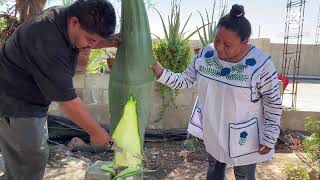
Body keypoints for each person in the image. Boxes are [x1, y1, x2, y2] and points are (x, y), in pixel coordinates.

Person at [150, 4, 282, 180]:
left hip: (245, 135)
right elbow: (186, 80)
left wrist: (270, 136)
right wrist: (161, 73)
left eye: (227, 44)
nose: (219, 47)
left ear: (245, 43)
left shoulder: (260, 65)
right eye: (217, 40)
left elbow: (273, 102)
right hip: (213, 128)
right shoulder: (206, 54)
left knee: (243, 174)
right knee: (214, 166)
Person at [0, 0, 119, 179]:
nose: (92, 46)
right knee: (29, 161)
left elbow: (83, 39)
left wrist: (110, 41)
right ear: (74, 23)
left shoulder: (64, 19)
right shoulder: (47, 38)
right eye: (90, 40)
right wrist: (97, 132)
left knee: (28, 159)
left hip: (31, 100)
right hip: (15, 103)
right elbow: (69, 103)